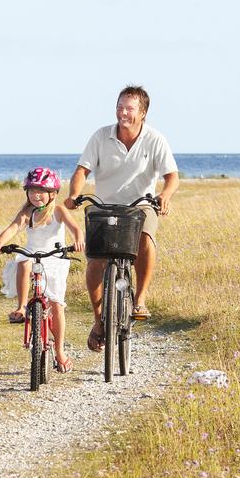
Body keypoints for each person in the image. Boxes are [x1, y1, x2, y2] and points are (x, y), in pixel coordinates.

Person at [64, 85, 179, 352]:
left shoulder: (155, 139)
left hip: (140, 206)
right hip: (104, 207)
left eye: (129, 108)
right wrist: (74, 194)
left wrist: (165, 195)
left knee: (146, 239)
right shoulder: (101, 136)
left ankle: (140, 298)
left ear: (143, 113)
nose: (122, 113)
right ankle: (98, 321)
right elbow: (82, 171)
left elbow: (171, 177)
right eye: (119, 107)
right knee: (94, 263)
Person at [0, 167, 84, 373]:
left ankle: (59, 350)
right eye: (32, 191)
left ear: (53, 194)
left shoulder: (58, 210)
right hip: (32, 254)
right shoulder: (27, 212)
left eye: (41, 191)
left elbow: (75, 228)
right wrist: (0, 241)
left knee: (56, 305)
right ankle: (22, 307)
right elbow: (14, 227)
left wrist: (78, 240)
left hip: (54, 258)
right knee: (22, 262)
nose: (36, 195)